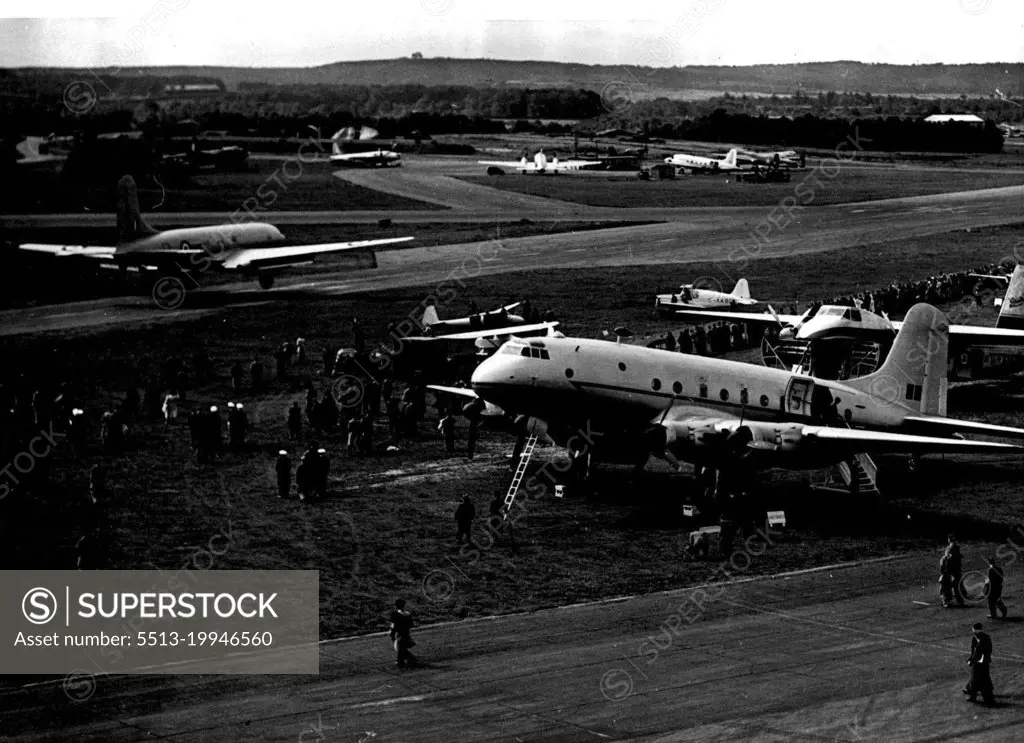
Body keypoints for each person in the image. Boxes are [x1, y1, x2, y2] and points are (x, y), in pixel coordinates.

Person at [964, 622, 995, 705]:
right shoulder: (984, 638)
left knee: (975, 679)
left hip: (979, 663)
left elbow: (977, 652)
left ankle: (972, 696)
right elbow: (976, 651)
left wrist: (971, 661)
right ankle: (988, 698)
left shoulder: (979, 639)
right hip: (982, 663)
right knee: (984, 679)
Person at [388, 599, 417, 668]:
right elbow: (411, 625)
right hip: (406, 634)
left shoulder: (395, 614)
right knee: (401, 646)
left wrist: (392, 633)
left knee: (398, 647)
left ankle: (402, 660)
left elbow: (393, 626)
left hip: (399, 634)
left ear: (396, 606)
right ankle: (408, 658)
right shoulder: (408, 614)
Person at [946, 534, 965, 607]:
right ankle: (961, 597)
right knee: (958, 582)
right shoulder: (956, 546)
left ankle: (959, 600)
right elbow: (958, 556)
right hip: (957, 568)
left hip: (953, 568)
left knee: (955, 584)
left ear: (949, 539)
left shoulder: (951, 547)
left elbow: (950, 557)